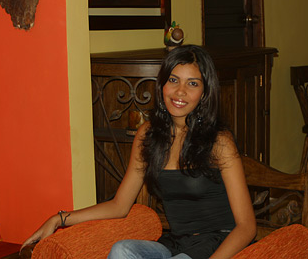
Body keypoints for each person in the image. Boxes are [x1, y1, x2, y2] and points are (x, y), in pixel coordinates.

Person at [21, 45, 256, 258]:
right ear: (162, 84)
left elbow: (247, 226)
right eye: (174, 80)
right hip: (176, 245)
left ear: (204, 93)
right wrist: (59, 218)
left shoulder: (219, 141)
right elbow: (119, 205)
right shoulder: (148, 135)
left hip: (218, 245)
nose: (180, 92)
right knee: (122, 250)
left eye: (192, 83)